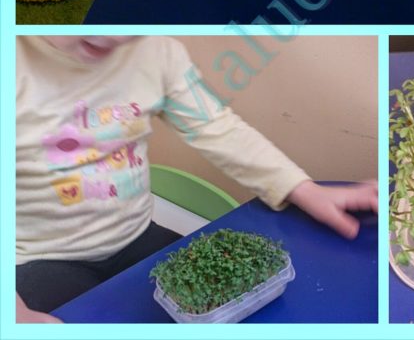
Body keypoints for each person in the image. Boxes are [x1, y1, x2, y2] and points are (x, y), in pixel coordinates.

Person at [16, 35, 377, 322]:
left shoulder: (157, 51)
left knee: (219, 305)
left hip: (137, 235)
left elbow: (216, 128)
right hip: (41, 259)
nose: (114, 35)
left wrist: (303, 189)